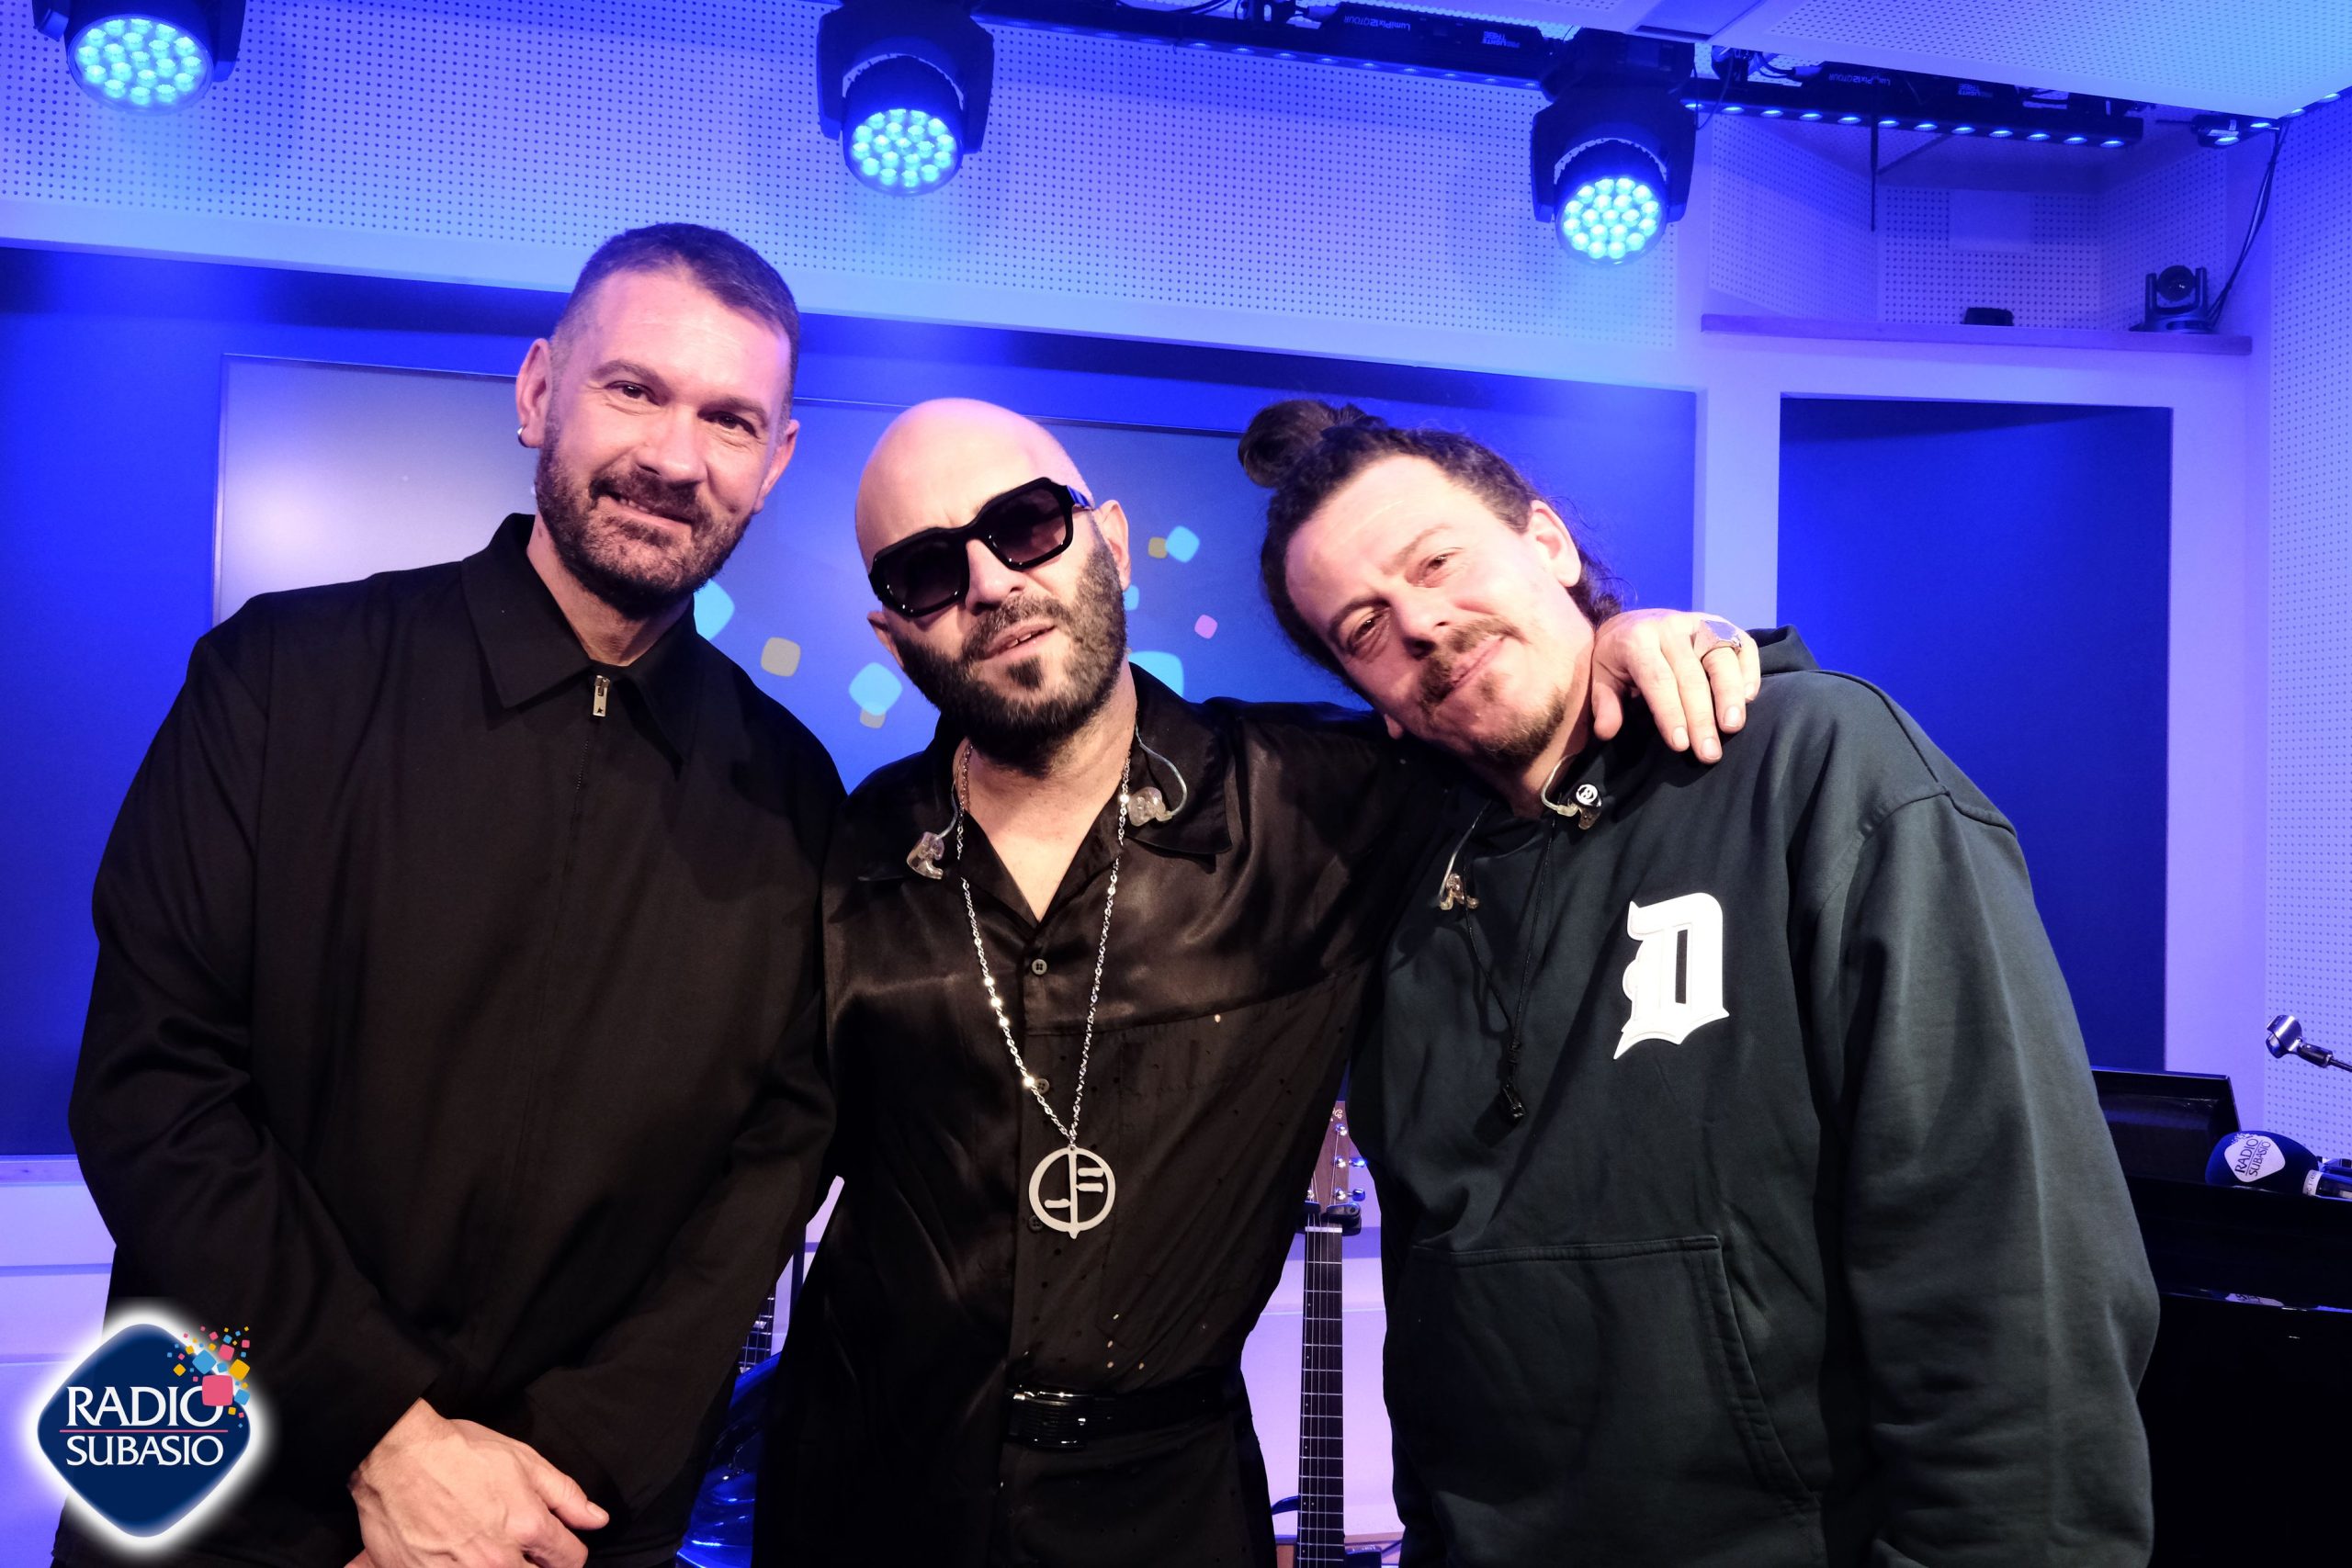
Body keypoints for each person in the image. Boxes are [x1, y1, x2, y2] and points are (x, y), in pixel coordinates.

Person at [757, 399, 1772, 1566]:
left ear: (1111, 542)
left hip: (1171, 1516)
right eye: (929, 571)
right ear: (893, 636)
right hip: (858, 1502)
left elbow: (1521, 724)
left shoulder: (1326, 799)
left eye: (1026, 525)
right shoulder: (842, 857)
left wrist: (1629, 637)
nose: (990, 582)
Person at [1243, 399, 2160, 1567]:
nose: (1420, 623)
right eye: (1362, 626)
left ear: (1546, 542)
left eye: (1436, 562)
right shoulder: (1394, 880)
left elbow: (2009, 1258)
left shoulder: (1816, 764)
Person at [62, 225, 838, 1568]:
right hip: (205, 1478)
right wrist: (387, 1437)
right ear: (539, 392)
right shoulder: (281, 678)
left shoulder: (792, 792)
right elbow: (156, 1090)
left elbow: (761, 1187)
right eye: (634, 389)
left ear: (773, 464)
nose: (675, 456)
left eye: (731, 419)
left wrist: (539, 1489)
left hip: (558, 1523)